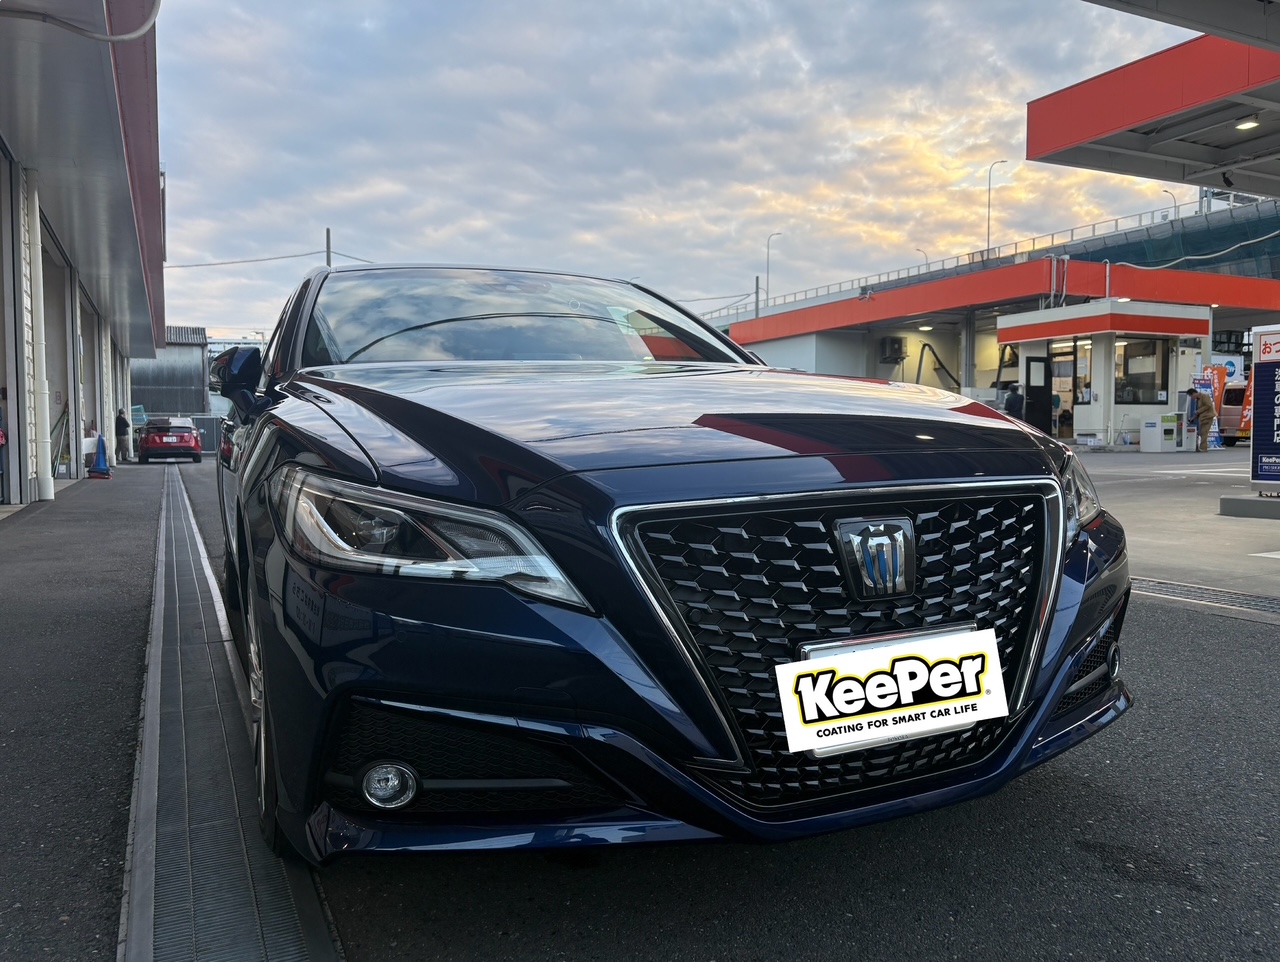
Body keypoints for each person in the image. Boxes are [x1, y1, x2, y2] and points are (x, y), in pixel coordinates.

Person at [1187, 387, 1217, 452]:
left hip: (1208, 417)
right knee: (1202, 433)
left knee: (1204, 432)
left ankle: (1203, 448)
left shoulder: (1204, 396)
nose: (1191, 398)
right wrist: (1192, 418)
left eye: (1191, 396)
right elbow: (1198, 412)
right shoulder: (1197, 400)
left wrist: (1198, 411)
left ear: (1194, 393)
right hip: (1202, 418)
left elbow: (1208, 405)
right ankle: (1203, 447)